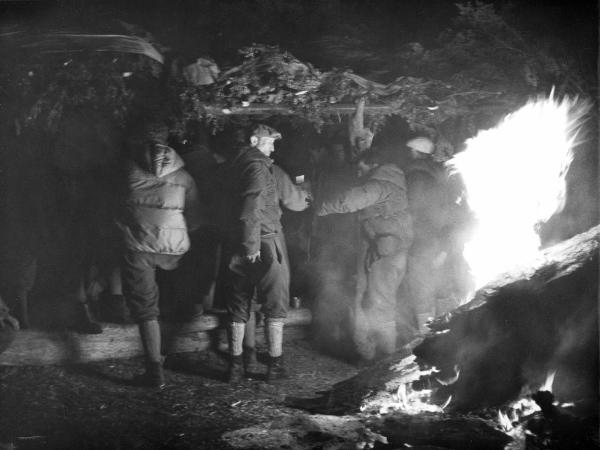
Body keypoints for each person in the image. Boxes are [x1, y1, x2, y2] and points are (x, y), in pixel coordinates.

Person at [116, 121, 201, 388]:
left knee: (145, 308)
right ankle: (175, 352)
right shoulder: (184, 176)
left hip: (138, 245)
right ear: (168, 143)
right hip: (174, 248)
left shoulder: (127, 170)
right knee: (172, 297)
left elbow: (113, 208)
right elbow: (197, 217)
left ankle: (154, 370)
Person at [316, 150, 413, 362]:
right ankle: (369, 353)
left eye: (361, 168)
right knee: (374, 300)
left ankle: (385, 360)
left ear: (373, 164)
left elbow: (349, 200)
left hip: (384, 254)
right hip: (387, 251)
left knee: (381, 304)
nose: (359, 173)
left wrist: (319, 207)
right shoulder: (394, 181)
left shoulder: (380, 184)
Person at [225, 124, 301, 383]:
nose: (272, 148)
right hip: (264, 241)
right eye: (269, 143)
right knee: (275, 301)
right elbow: (251, 208)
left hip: (239, 240)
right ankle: (275, 365)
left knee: (238, 301)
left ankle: (236, 366)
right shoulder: (257, 167)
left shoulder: (236, 165)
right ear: (254, 140)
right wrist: (252, 247)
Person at [404, 136, 473, 333]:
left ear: (415, 153)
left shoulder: (416, 177)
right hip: (441, 239)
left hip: (423, 241)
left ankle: (427, 338)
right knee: (442, 287)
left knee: (422, 290)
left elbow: (414, 209)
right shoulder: (439, 174)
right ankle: (453, 333)